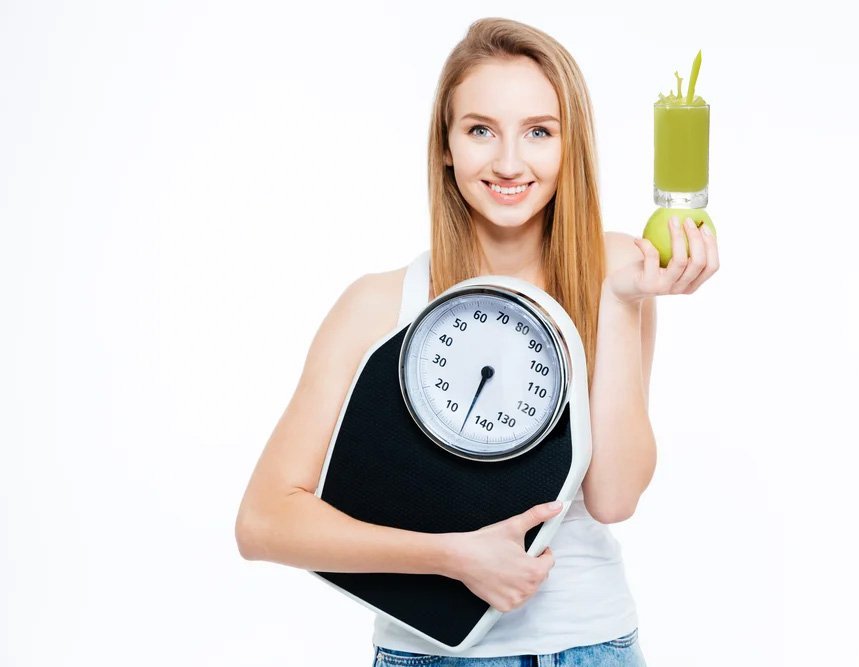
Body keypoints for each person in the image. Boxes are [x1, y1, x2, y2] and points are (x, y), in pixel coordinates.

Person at [235, 16, 719, 667]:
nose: (509, 162)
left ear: (570, 145)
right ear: (446, 145)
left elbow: (614, 497)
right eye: (481, 130)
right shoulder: (378, 305)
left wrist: (620, 300)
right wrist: (450, 557)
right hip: (427, 653)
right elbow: (264, 521)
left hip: (591, 644)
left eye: (539, 132)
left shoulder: (616, 273)